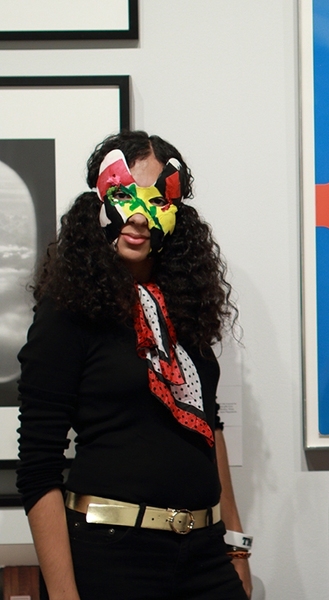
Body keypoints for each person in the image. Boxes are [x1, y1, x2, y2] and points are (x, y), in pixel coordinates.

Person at [16, 131, 252, 600]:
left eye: (158, 202)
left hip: (204, 551)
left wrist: (236, 546)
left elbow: (210, 426)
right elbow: (38, 465)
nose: (140, 217)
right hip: (112, 556)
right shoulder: (68, 310)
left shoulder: (185, 307)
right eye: (124, 196)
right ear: (97, 201)